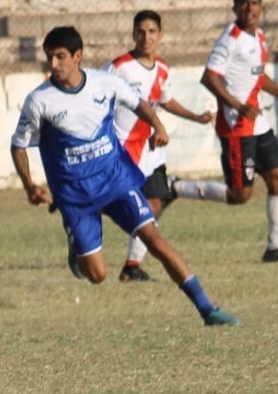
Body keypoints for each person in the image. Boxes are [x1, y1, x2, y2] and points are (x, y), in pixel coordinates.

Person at [10, 26, 238, 327]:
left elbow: (139, 102)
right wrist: (29, 186)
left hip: (116, 181)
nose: (54, 65)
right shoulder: (40, 100)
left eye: (60, 57)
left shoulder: (105, 83)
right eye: (49, 58)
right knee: (97, 275)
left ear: (78, 56)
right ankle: (75, 240)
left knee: (154, 238)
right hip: (75, 196)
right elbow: (18, 145)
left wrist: (158, 124)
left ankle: (208, 310)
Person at [196, 0, 278, 262]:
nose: (250, 9)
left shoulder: (259, 36)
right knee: (240, 195)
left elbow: (258, 78)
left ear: (261, 8)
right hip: (237, 126)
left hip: (258, 124)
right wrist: (238, 106)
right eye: (244, 4)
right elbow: (209, 77)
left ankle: (276, 248)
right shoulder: (231, 38)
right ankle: (178, 188)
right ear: (235, 8)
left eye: (255, 3)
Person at [104, 10, 217, 282]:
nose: (146, 37)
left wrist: (196, 117)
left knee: (153, 205)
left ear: (160, 35)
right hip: (122, 151)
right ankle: (82, 223)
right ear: (133, 34)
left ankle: (132, 266)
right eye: (141, 31)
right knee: (119, 205)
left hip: (151, 150)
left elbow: (165, 100)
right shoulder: (118, 66)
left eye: (152, 31)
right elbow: (100, 101)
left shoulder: (163, 69)